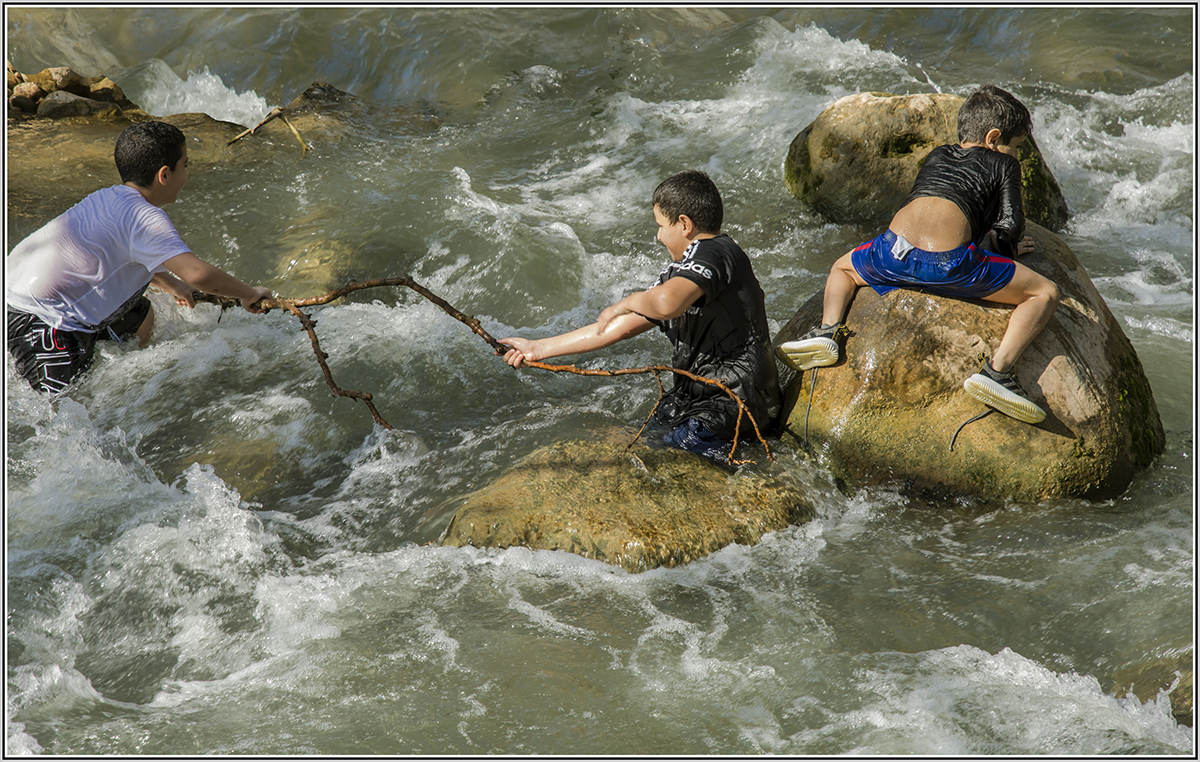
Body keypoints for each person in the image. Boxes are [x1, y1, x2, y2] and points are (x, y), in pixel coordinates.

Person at [776, 85, 1059, 424]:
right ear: (993, 138)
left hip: (892, 253)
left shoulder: (938, 154)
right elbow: (1009, 225)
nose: (1014, 155)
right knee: (1045, 292)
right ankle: (997, 373)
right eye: (1014, 147)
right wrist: (1010, 251)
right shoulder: (1002, 164)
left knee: (842, 268)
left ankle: (827, 331)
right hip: (946, 264)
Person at [500, 169, 782, 463]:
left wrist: (627, 301)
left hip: (735, 402)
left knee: (658, 457)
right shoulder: (684, 273)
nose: (658, 236)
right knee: (641, 443)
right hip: (707, 399)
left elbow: (664, 304)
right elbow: (616, 329)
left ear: (684, 224)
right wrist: (539, 348)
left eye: (661, 225)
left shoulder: (714, 252)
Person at [6, 120, 273, 396]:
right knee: (63, 412)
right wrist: (248, 293)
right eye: (186, 165)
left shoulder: (108, 197)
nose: (187, 174)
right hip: (40, 322)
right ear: (164, 175)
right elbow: (197, 274)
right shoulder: (145, 217)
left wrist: (172, 285)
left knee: (141, 314)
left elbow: (115, 258)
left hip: (14, 295)